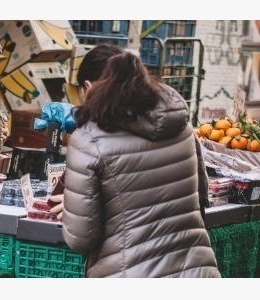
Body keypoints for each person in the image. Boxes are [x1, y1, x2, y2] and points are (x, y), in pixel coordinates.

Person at [49, 43, 220, 278]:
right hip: (197, 273)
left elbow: (81, 237)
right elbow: (201, 198)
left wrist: (72, 210)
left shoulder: (88, 140)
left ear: (87, 88)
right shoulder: (183, 127)